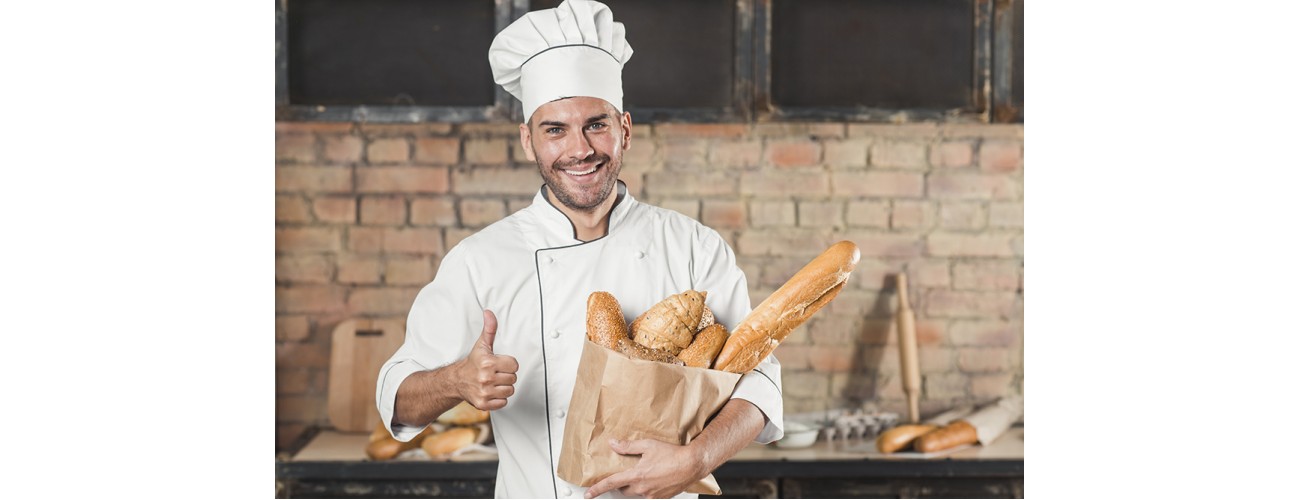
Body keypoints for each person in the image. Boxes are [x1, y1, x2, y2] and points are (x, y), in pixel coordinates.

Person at [375, 1, 784, 498]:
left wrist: (696, 459)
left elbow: (758, 381)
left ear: (625, 130)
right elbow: (396, 397)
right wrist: (456, 382)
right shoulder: (481, 259)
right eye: (555, 130)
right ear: (528, 141)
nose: (580, 149)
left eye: (596, 124)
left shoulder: (694, 246)